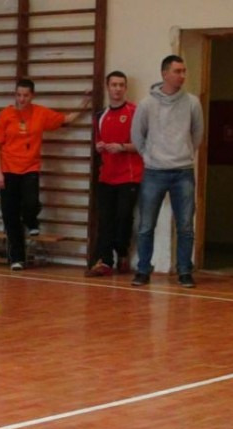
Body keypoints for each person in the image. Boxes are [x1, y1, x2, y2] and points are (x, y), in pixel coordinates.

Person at [0, 78, 91, 270]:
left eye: (25, 95)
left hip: (30, 168)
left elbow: (67, 119)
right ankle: (17, 258)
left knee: (31, 203)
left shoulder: (40, 113)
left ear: (32, 96)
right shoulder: (6, 115)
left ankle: (31, 221)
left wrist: (84, 102)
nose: (22, 99)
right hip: (8, 169)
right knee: (10, 216)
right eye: (18, 95)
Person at [130, 55, 204, 288]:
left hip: (183, 171)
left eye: (184, 71)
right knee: (146, 225)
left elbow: (197, 134)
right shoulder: (147, 104)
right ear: (164, 74)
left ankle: (184, 271)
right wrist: (148, 156)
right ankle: (143, 269)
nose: (182, 76)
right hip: (154, 171)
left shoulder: (192, 102)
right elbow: (137, 134)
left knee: (185, 226)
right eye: (177, 71)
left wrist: (185, 153)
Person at [87, 71, 143, 276]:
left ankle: (122, 252)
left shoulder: (135, 112)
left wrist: (122, 147)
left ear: (125, 88)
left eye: (121, 85)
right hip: (106, 176)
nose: (117, 89)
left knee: (123, 217)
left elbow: (144, 144)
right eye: (114, 85)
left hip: (129, 176)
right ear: (107, 87)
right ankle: (104, 261)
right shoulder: (100, 116)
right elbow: (98, 142)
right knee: (105, 220)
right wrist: (100, 146)